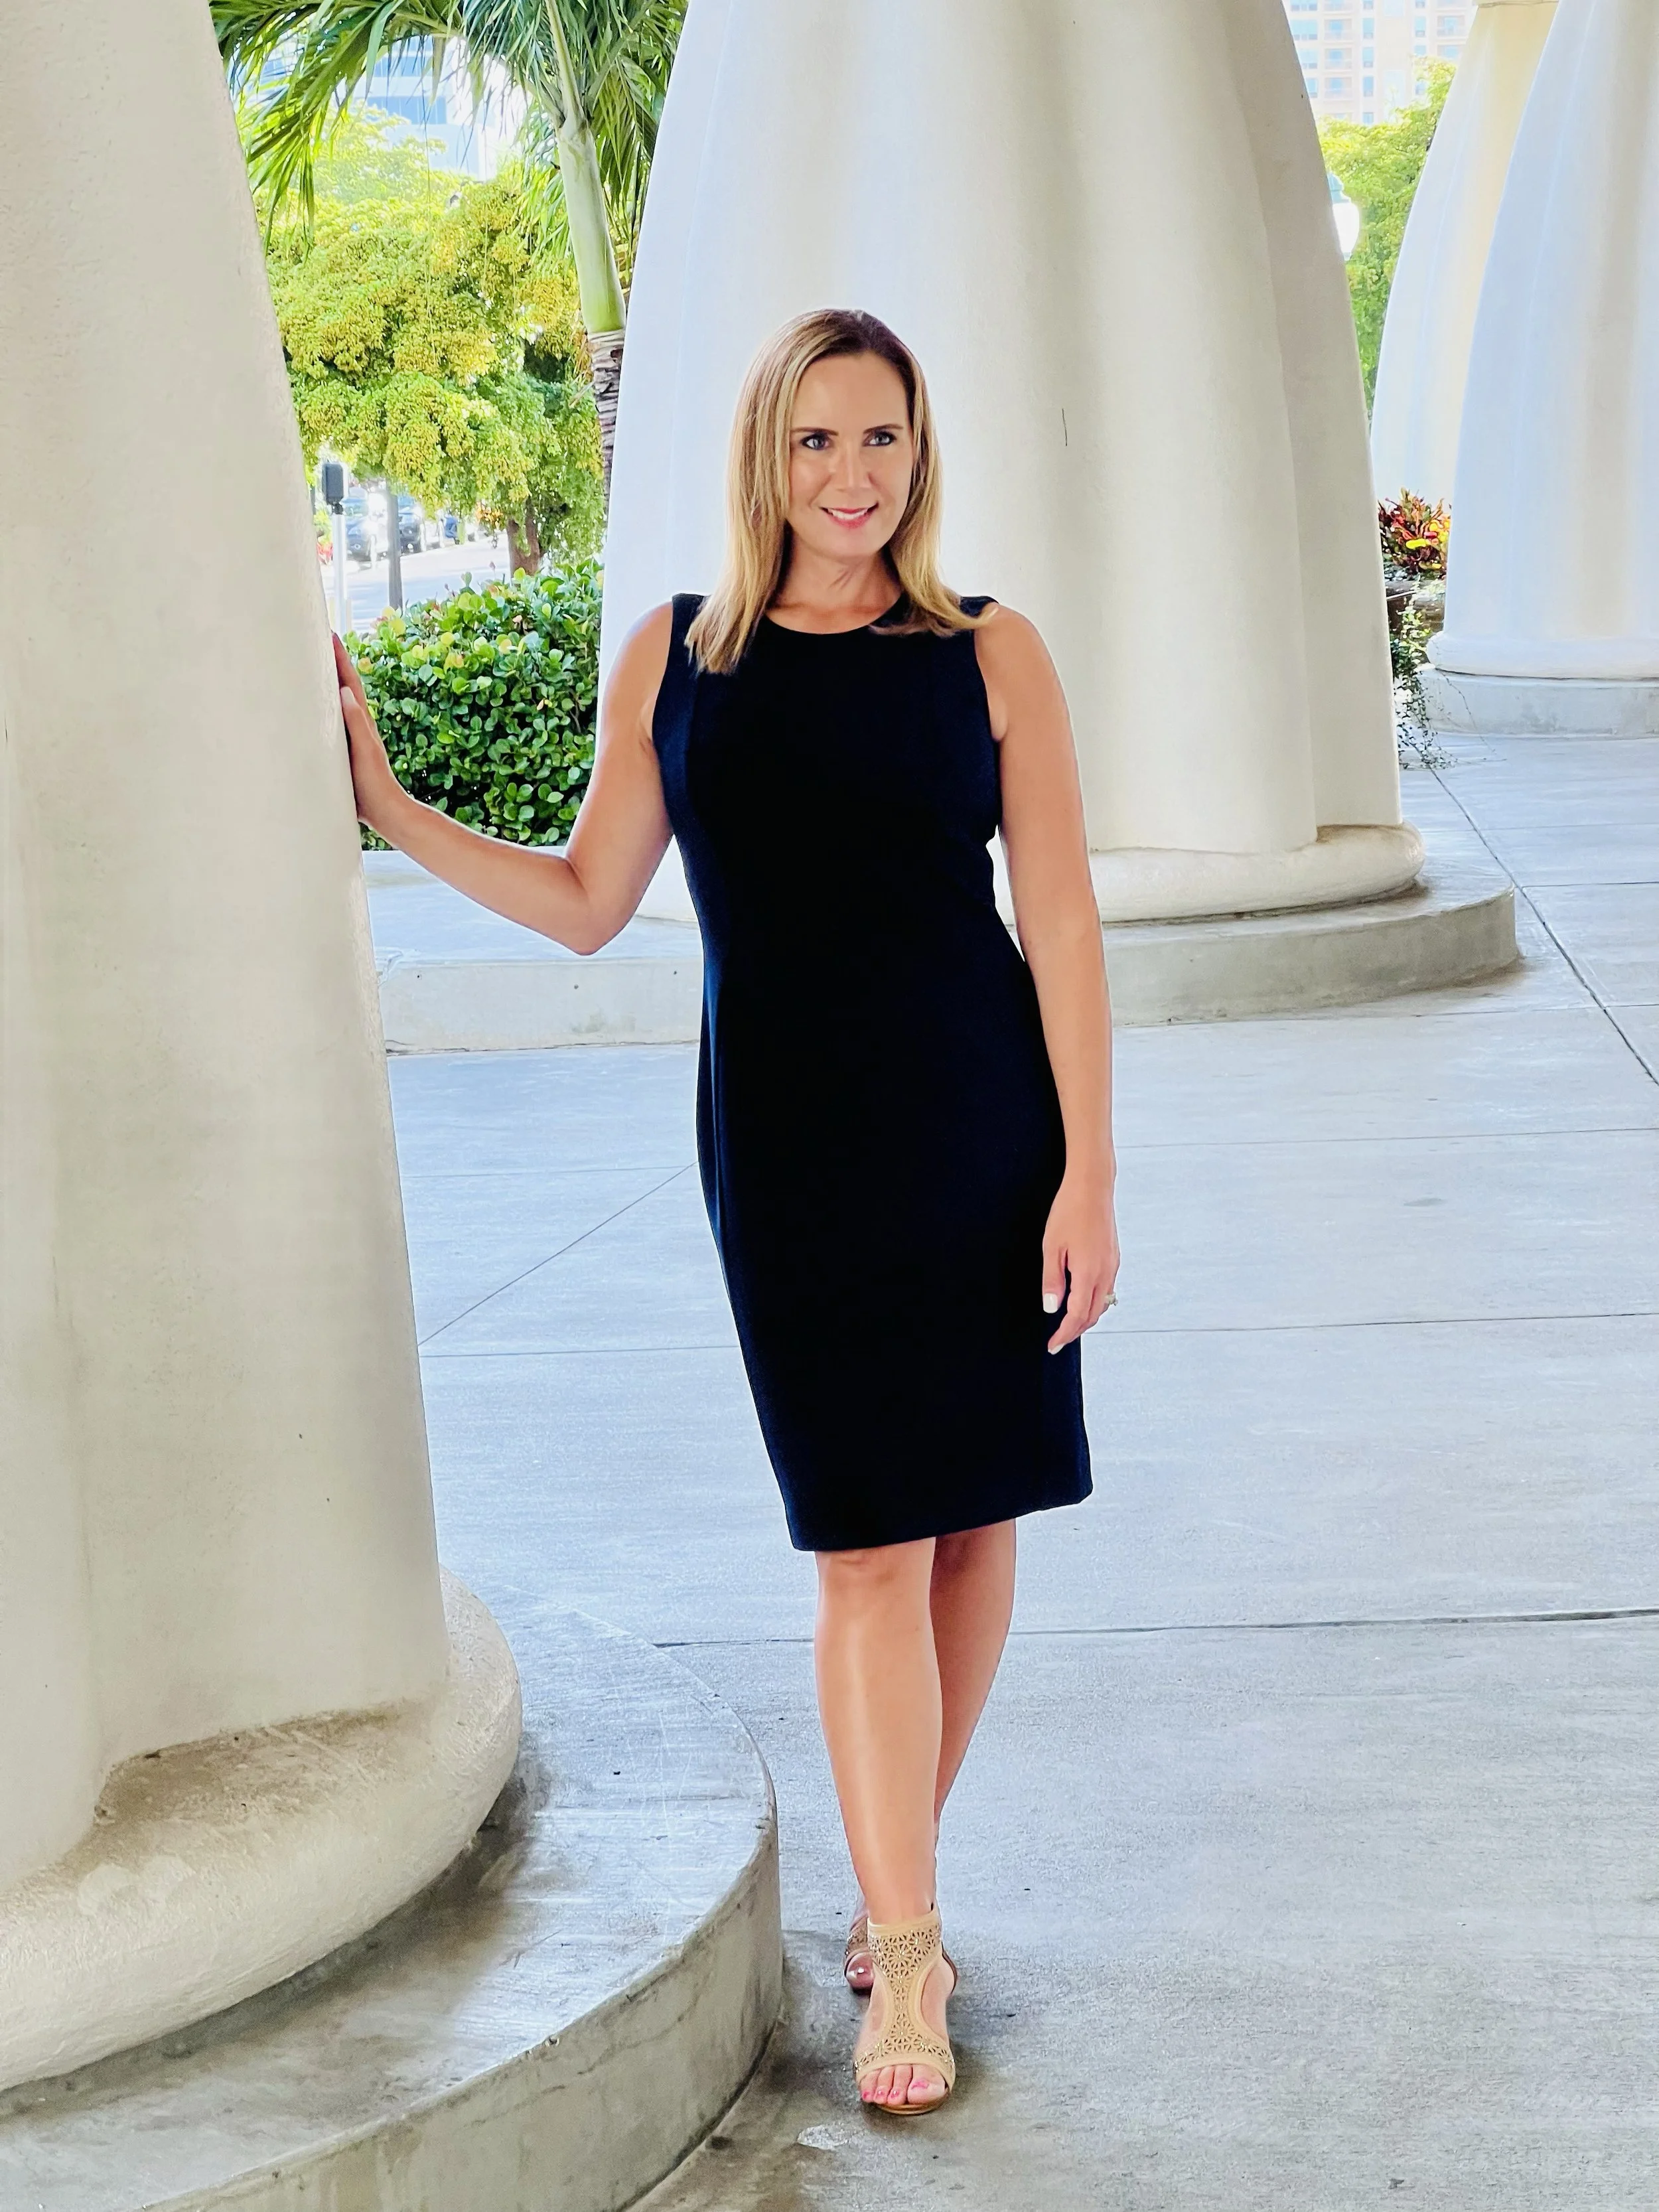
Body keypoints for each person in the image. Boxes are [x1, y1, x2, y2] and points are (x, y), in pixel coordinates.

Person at [337, 307, 1119, 2116]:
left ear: (919, 455)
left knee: (975, 1518)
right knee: (863, 1539)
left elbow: (1062, 918)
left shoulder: (991, 654)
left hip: (979, 1123)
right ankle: (905, 1953)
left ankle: (893, 1887)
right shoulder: (675, 663)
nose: (856, 476)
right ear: (763, 456)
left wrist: (1088, 1165)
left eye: (885, 440)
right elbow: (590, 899)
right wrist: (386, 803)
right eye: (819, 441)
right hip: (785, 1148)